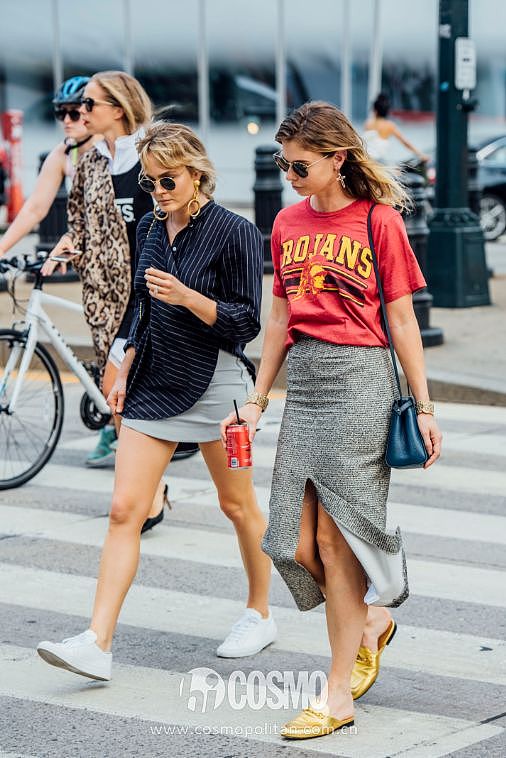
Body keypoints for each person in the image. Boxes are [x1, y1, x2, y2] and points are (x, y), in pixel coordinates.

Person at [222, 101, 442, 740]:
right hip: (308, 385)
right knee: (292, 541)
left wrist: (425, 407)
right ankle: (371, 620)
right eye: (281, 163)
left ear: (338, 159)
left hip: (363, 380)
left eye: (300, 164)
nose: (288, 173)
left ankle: (337, 691)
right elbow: (279, 319)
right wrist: (261, 397)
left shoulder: (379, 221)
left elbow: (402, 320)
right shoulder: (287, 223)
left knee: (333, 542)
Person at [36, 120, 276, 681]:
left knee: (237, 506)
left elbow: (245, 323)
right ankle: (97, 642)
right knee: (124, 510)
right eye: (149, 183)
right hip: (152, 383)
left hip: (217, 383)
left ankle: (260, 612)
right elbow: (139, 311)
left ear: (197, 174)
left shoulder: (235, 231)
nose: (159, 192)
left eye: (169, 181)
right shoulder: (148, 226)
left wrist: (191, 298)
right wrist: (120, 368)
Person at [41, 71, 166, 530]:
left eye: (89, 105)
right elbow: (80, 218)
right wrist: (70, 244)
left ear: (117, 107)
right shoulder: (91, 160)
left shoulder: (153, 150)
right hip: (105, 293)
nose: (81, 113)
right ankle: (148, 490)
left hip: (151, 290)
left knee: (123, 385)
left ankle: (142, 494)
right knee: (117, 395)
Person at [0, 76, 96, 259]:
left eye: (74, 113)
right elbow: (35, 208)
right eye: (61, 113)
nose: (66, 120)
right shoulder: (64, 153)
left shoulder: (112, 147)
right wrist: (2, 248)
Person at [363, 92, 429, 164]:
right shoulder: (389, 125)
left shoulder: (368, 123)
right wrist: (421, 154)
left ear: (375, 111)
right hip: (378, 162)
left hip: (366, 160)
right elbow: (405, 142)